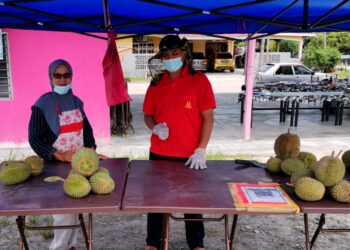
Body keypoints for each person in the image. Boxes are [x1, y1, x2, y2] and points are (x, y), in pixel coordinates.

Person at [143, 35, 216, 250]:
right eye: (166, 55)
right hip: (159, 152)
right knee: (156, 200)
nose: (171, 58)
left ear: (184, 53)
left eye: (175, 53)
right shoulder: (156, 83)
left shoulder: (199, 80)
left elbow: (208, 118)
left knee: (192, 202)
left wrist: (201, 149)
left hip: (190, 154)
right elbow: (147, 115)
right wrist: (154, 127)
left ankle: (197, 243)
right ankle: (153, 243)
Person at [29, 59, 104, 250]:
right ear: (51, 78)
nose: (62, 80)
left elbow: (86, 130)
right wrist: (56, 155)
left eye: (66, 75)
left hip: (79, 164)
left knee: (76, 205)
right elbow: (35, 138)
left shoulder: (76, 101)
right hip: (56, 164)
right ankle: (59, 247)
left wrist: (92, 150)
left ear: (71, 77)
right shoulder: (42, 104)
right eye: (58, 75)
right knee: (62, 211)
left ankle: (72, 245)